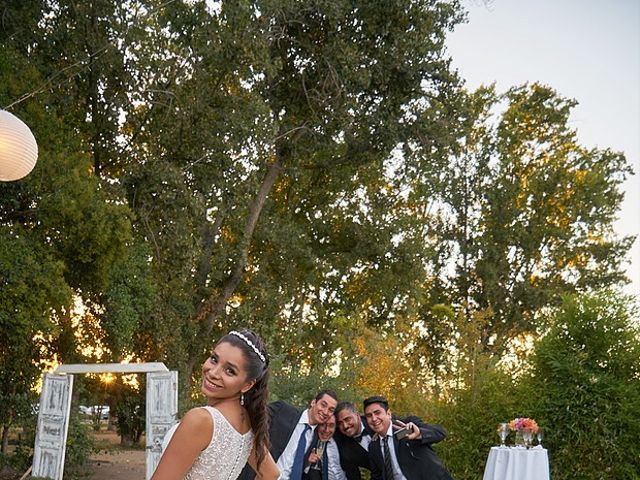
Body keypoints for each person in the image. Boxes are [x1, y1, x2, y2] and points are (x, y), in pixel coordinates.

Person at [151, 329, 279, 480]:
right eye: (214, 359)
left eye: (230, 371)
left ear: (247, 385)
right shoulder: (248, 423)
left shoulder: (201, 419)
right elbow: (271, 474)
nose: (213, 372)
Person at [238, 389, 339, 480]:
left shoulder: (316, 439)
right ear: (313, 402)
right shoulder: (283, 411)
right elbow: (253, 417)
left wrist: (307, 463)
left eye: (331, 410)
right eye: (323, 405)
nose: (326, 412)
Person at [363, 395, 452, 480]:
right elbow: (377, 477)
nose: (374, 419)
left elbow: (441, 432)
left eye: (377, 413)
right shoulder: (373, 446)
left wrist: (420, 433)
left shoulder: (407, 427)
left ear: (389, 414)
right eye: (369, 416)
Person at [333, 402, 373, 480]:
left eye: (347, 419)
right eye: (340, 423)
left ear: (357, 415)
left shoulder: (374, 421)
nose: (345, 426)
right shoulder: (345, 449)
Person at [303, 415, 347, 480]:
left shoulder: (341, 440)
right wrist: (307, 462)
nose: (326, 430)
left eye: (331, 425)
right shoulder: (309, 441)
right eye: (323, 424)